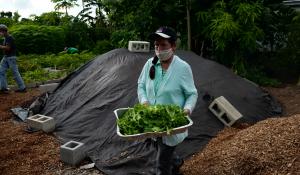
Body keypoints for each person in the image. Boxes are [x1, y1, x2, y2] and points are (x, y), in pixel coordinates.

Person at [137, 26, 198, 175]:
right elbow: (141, 86)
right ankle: (177, 161)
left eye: (163, 45)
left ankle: (168, 167)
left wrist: (186, 110)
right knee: (158, 145)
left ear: (173, 46)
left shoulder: (182, 68)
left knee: (161, 165)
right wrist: (144, 101)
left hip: (172, 124)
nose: (159, 48)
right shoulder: (149, 64)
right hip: (153, 122)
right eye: (156, 45)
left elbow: (192, 94)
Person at [0, 24, 26, 93]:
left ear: (4, 31)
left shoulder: (9, 38)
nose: (0, 33)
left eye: (0, 32)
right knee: (1, 71)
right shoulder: (5, 38)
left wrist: (1, 46)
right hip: (6, 57)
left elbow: (8, 48)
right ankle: (3, 88)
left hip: (11, 58)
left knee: (15, 72)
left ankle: (22, 88)